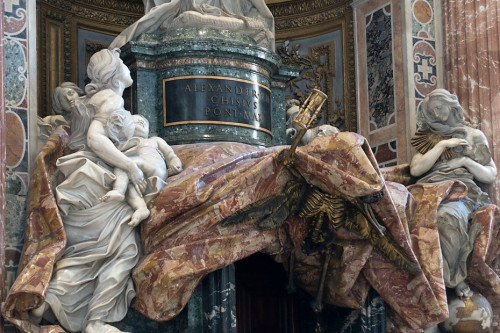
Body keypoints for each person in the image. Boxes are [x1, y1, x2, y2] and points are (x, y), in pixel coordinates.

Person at [30, 48, 151, 333]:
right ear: (112, 73)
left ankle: (49, 301)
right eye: (122, 63)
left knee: (86, 251)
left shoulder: (90, 100)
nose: (128, 68)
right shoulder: (110, 98)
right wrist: (130, 167)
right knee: (124, 248)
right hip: (97, 177)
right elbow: (96, 141)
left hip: (80, 176)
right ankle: (95, 320)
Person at [409, 89, 498, 298]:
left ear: (451, 106)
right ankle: (419, 280)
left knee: (447, 217)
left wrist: (465, 161)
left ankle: (453, 278)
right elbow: (416, 170)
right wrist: (441, 145)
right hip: (429, 191)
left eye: (441, 108)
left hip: (460, 192)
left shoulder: (473, 135)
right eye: (434, 111)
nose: (438, 114)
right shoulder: (428, 139)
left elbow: (491, 174)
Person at [101, 114, 183, 227]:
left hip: (153, 166)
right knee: (130, 187)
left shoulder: (154, 140)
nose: (141, 121)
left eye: (144, 122)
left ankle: (118, 190)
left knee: (125, 165)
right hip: (142, 180)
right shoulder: (122, 145)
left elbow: (171, 155)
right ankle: (141, 208)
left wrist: (175, 164)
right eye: (135, 120)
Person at [109, 0, 275, 50]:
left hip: (235, 25)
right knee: (188, 18)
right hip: (187, 20)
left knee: (259, 29)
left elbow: (262, 21)